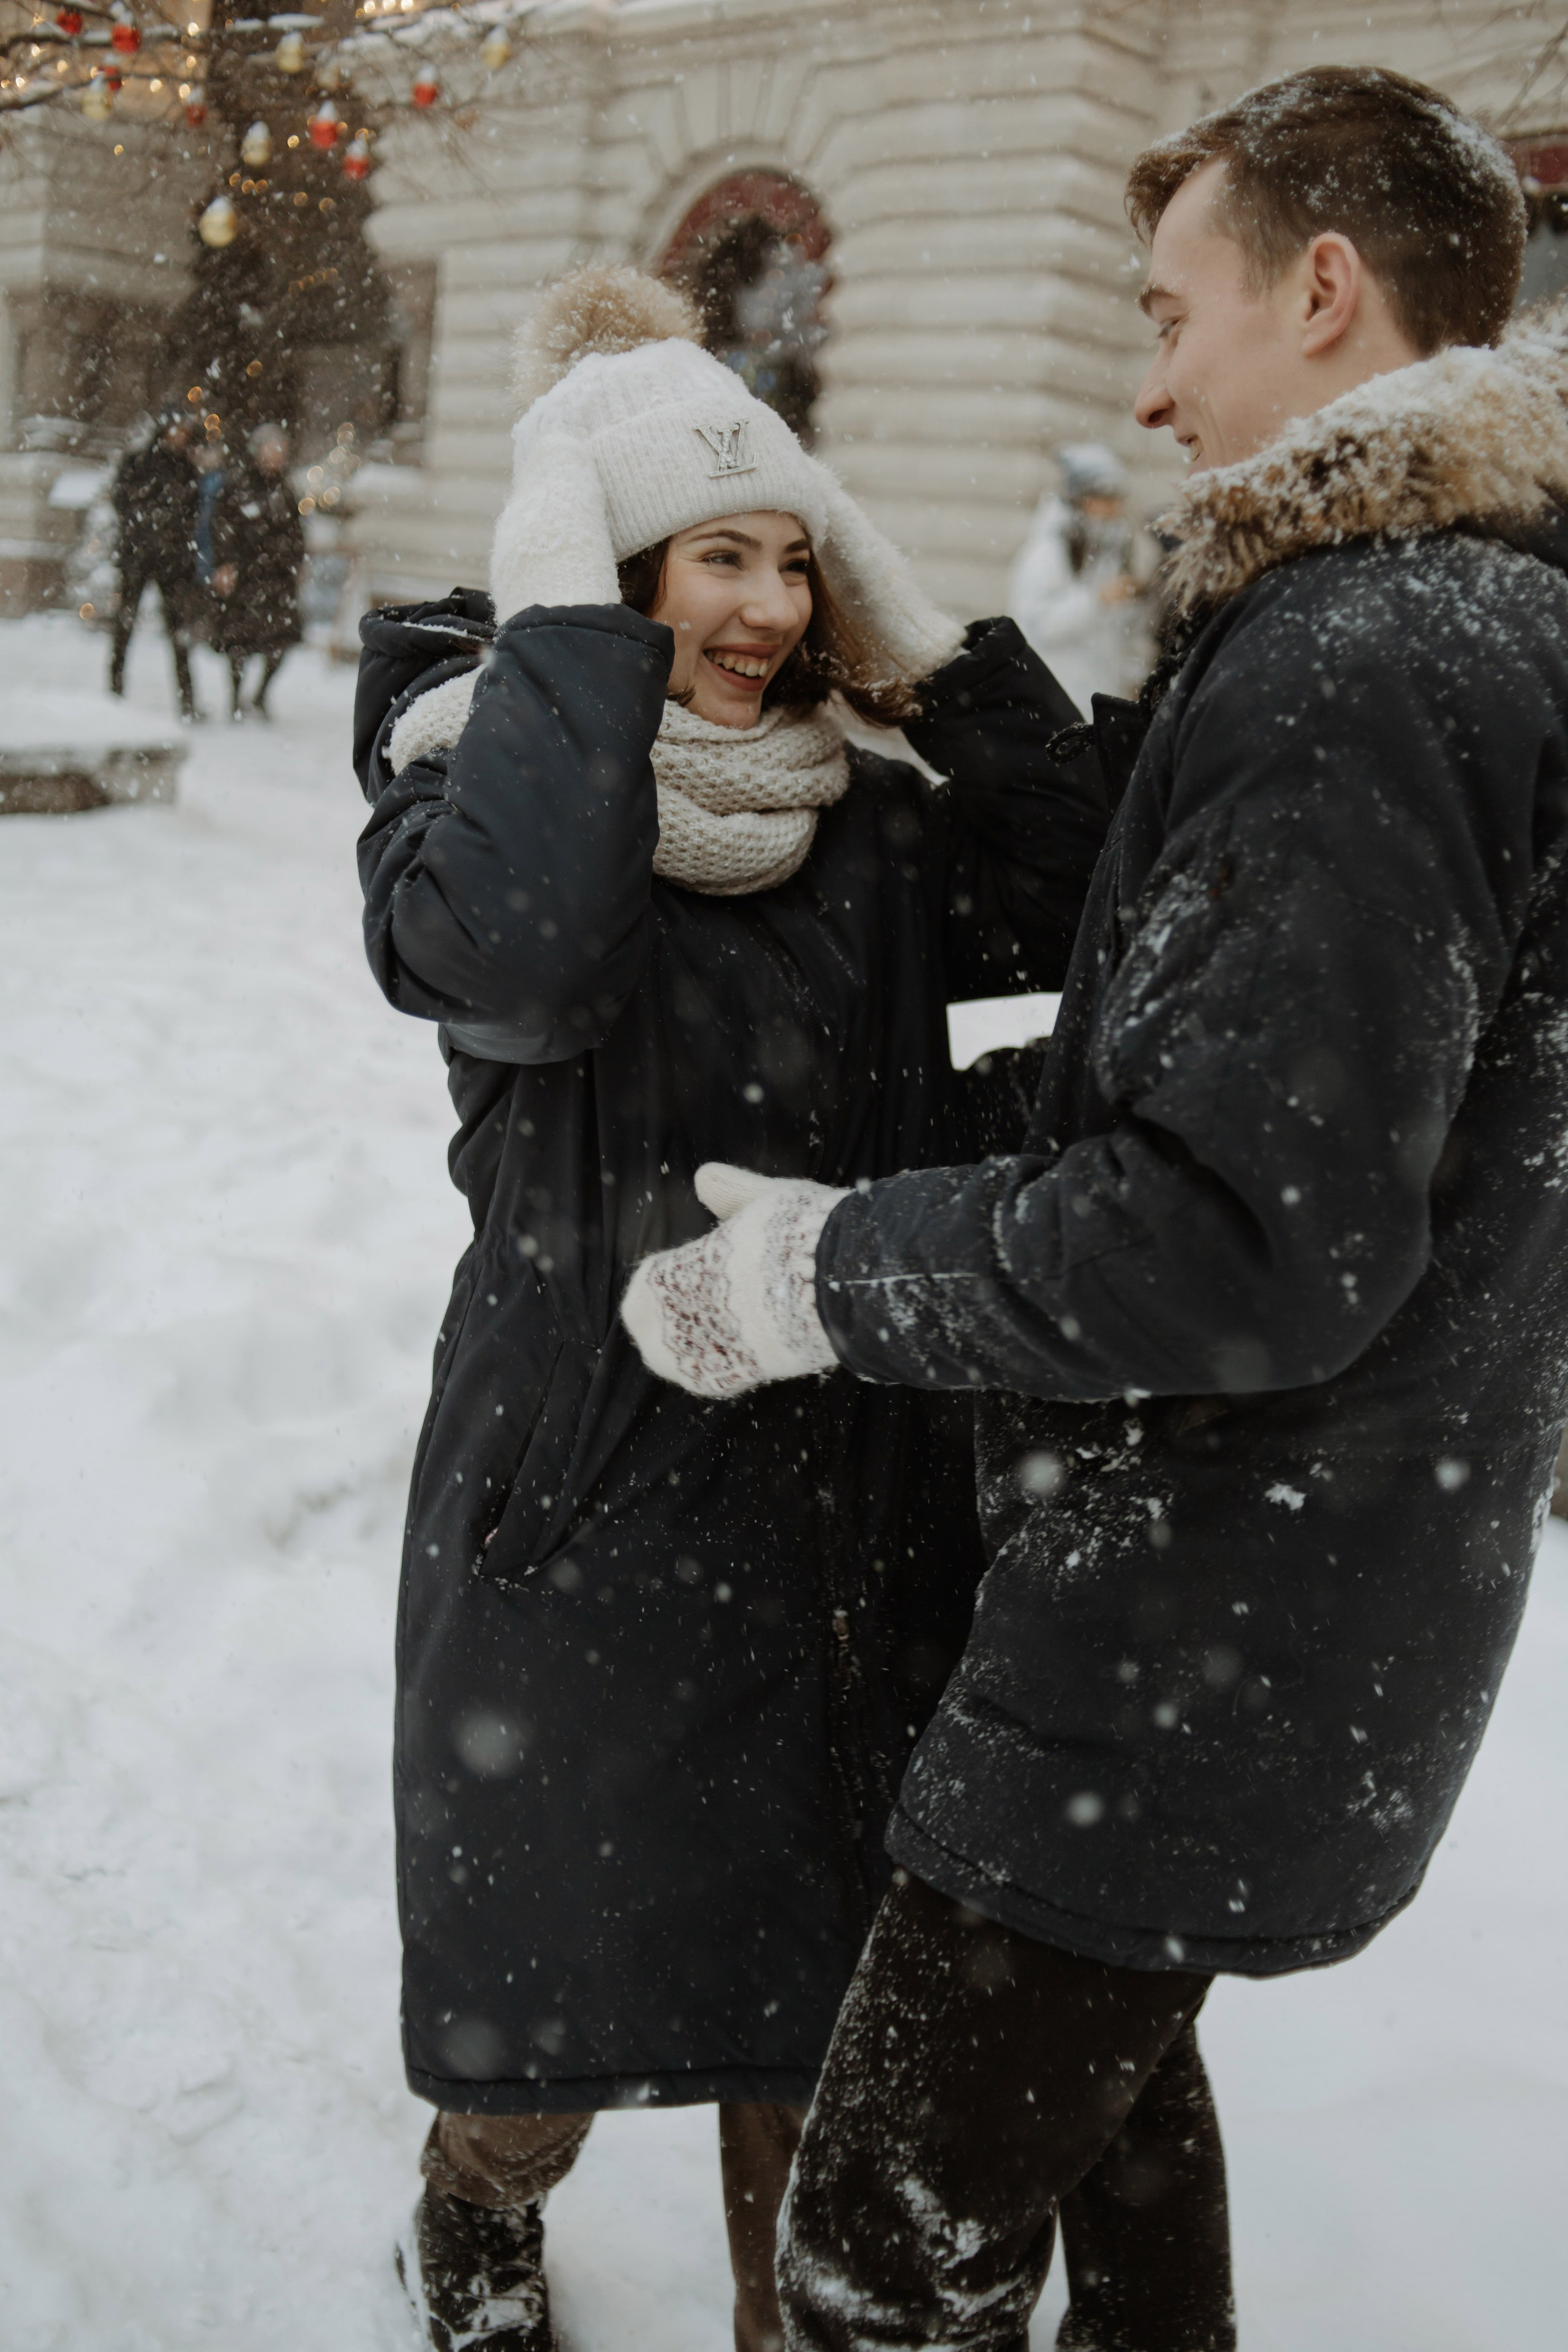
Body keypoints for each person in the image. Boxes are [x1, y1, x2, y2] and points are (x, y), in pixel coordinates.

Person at [622, 66, 1563, 2352]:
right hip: (1296, 1616)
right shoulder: (1450, 618)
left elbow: (1229, 1233)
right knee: (1119, 2139)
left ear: (1320, 292)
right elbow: (1257, 1065)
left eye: (1170, 311)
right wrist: (922, 1157)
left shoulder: (1364, 658)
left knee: (873, 2259)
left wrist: (816, 1279)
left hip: (1181, 1629)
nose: (1143, 381)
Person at [351, 265, 1109, 2352]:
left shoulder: (867, 824)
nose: (768, 608)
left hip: (847, 1468)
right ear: (594, 580)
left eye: (796, 557)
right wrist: (569, 646)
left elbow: (1101, 874)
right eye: (717, 557)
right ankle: (480, 2199)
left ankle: (811, 2312)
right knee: (566, 1958)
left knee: (827, 1970)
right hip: (585, 1484)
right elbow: (520, 948)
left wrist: (921, 645)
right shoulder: (456, 802)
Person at [1007, 442, 1148, 718]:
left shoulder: (1114, 546)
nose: (1113, 508)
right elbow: (1035, 626)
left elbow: (1121, 631)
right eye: (1105, 498)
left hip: (1101, 697)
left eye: (1116, 498)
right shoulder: (1048, 551)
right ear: (1083, 499)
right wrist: (1097, 600)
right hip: (1061, 699)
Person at [107, 413, 201, 722]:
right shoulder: (138, 462)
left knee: (179, 631)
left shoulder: (186, 467)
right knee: (125, 624)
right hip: (139, 554)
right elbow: (122, 500)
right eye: (176, 429)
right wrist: (147, 527)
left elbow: (193, 512)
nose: (180, 436)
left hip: (172, 561)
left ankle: (187, 697)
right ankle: (115, 686)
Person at [208, 424, 306, 720]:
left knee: (280, 643)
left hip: (278, 580)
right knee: (239, 644)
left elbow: (296, 533)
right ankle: (235, 699)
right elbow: (221, 528)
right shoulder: (238, 486)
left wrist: (295, 564)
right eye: (271, 451)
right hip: (246, 578)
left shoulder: (286, 491)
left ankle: (261, 695)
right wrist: (225, 565)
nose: (276, 457)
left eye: (281, 452)